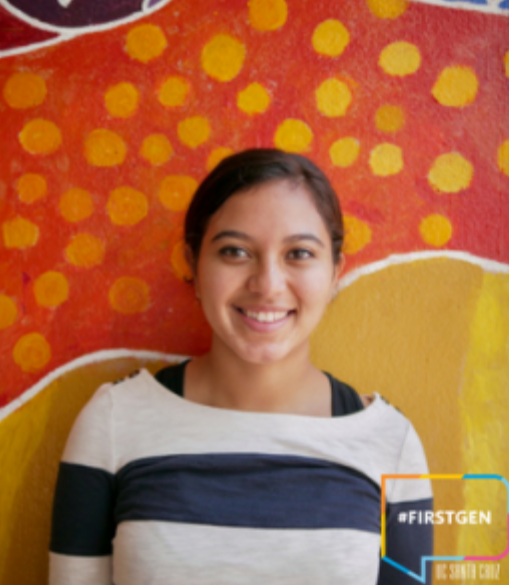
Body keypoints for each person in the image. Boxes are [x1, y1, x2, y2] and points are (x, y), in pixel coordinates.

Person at [49, 148, 433, 585]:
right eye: (234, 251)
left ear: (334, 273)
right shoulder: (114, 422)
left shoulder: (390, 442)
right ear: (193, 263)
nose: (267, 285)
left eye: (299, 253)